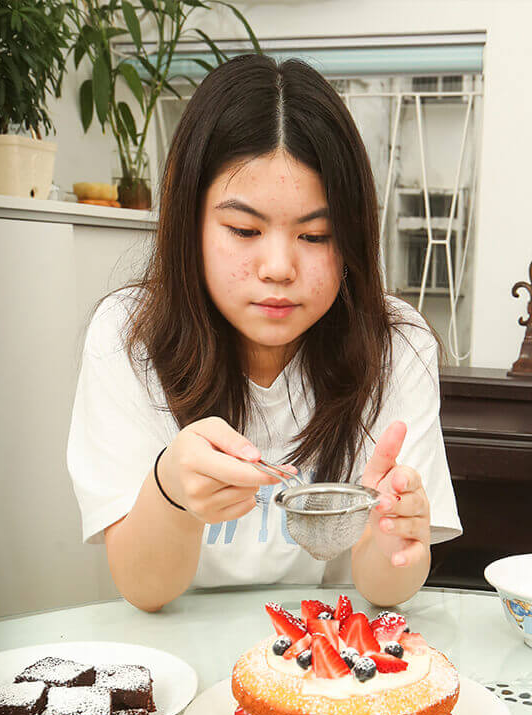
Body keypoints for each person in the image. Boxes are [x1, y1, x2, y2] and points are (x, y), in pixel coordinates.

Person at [67, 54, 461, 613]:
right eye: (244, 229)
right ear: (190, 222)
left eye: (316, 235)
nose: (279, 267)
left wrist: (395, 536)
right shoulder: (128, 338)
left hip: (323, 662)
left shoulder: (396, 347)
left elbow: (387, 589)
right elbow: (144, 591)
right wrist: (171, 492)